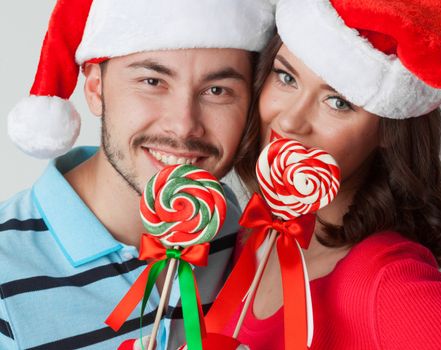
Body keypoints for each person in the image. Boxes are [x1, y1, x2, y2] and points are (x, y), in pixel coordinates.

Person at [206, 0, 441, 349]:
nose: (291, 120)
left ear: (388, 132)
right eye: (286, 77)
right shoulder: (254, 229)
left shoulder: (384, 281)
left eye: (338, 102)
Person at [0, 0, 274, 349]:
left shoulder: (245, 236)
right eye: (152, 81)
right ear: (96, 88)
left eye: (216, 91)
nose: (184, 125)